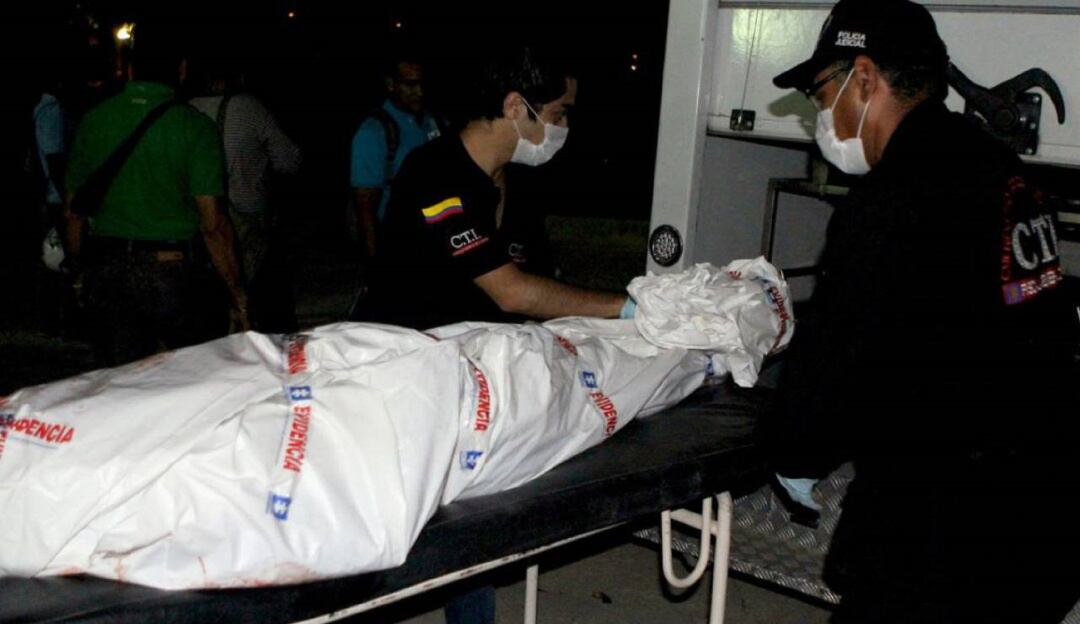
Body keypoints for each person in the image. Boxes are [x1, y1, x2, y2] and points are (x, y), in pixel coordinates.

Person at [762, 1, 1080, 622]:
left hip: (950, 535)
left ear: (865, 78)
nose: (820, 115)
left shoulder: (888, 200)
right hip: (1048, 515)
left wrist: (793, 452)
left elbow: (832, 363)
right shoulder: (1007, 173)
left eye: (820, 94)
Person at [353, 46, 632, 330]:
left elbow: (541, 283)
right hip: (403, 343)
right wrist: (625, 307)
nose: (564, 126)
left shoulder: (519, 181)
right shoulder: (434, 173)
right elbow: (512, 292)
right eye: (558, 114)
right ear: (515, 106)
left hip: (473, 345)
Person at [63, 22, 247, 367]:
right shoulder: (195, 127)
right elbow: (213, 224)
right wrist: (237, 292)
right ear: (181, 69)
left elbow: (73, 213)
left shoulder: (93, 121)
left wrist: (78, 271)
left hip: (110, 273)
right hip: (174, 274)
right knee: (190, 378)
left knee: (122, 381)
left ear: (129, 67)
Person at [190, 60, 302, 333]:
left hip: (199, 221)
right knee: (264, 303)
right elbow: (289, 160)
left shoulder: (187, 109)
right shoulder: (249, 107)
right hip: (247, 221)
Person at [350, 53, 442, 260]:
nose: (419, 91)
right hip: (401, 241)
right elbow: (365, 208)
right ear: (391, 84)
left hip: (440, 235)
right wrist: (376, 262)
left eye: (422, 83)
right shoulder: (373, 132)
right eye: (410, 84)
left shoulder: (435, 120)